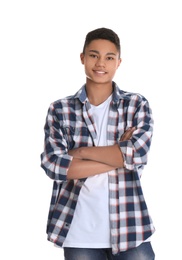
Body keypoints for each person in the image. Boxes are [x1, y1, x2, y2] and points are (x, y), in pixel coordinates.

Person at [40, 27, 155, 260]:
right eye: (94, 55)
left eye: (109, 57)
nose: (100, 63)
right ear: (82, 58)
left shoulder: (135, 105)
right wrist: (118, 157)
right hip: (78, 232)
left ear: (118, 62)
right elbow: (55, 166)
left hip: (130, 228)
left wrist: (80, 152)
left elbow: (136, 155)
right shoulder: (60, 109)